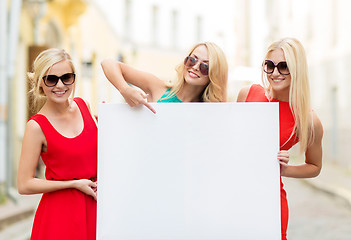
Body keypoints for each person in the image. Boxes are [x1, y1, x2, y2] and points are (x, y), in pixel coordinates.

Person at [237, 37, 323, 240]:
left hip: (270, 200)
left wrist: (286, 169)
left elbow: (315, 166)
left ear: (297, 69)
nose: (275, 73)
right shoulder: (247, 93)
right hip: (236, 192)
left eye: (283, 66)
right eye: (270, 65)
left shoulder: (308, 119)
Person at [17, 48, 97, 240]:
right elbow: (24, 184)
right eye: (51, 79)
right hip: (59, 217)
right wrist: (74, 184)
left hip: (97, 208)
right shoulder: (36, 126)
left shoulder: (84, 106)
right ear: (40, 83)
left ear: (74, 79)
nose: (60, 85)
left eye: (66, 77)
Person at [101, 42, 228, 111]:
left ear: (213, 75)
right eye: (192, 60)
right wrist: (125, 90)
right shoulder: (159, 88)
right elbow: (108, 64)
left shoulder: (210, 110)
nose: (195, 67)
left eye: (204, 67)